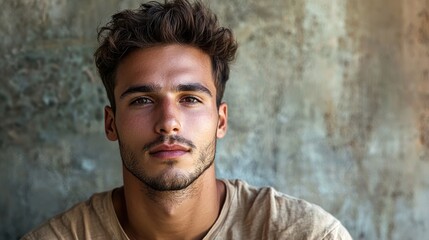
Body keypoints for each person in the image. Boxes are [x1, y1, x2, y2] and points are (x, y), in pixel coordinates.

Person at [22, 0, 352, 239]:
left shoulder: (306, 234)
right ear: (111, 124)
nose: (169, 122)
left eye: (190, 99)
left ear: (221, 121)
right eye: (142, 100)